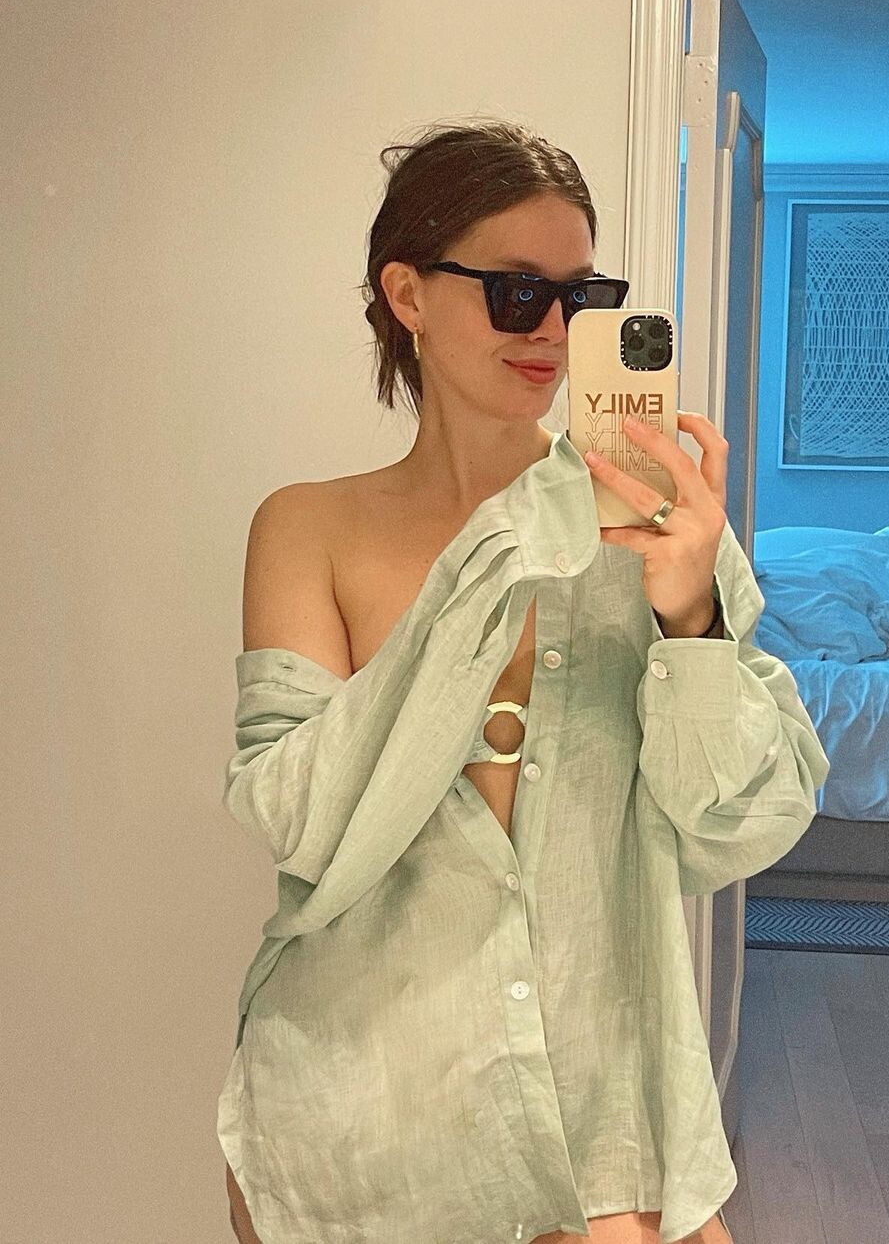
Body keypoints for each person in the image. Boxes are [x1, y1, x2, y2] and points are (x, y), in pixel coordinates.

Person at [219, 118, 826, 1243]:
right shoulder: (308, 528)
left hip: (603, 1094)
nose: (552, 328)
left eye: (581, 298)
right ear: (408, 293)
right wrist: (499, 556)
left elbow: (739, 827)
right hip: (357, 1103)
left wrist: (693, 622)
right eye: (515, 293)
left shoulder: (661, 527)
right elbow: (298, 821)